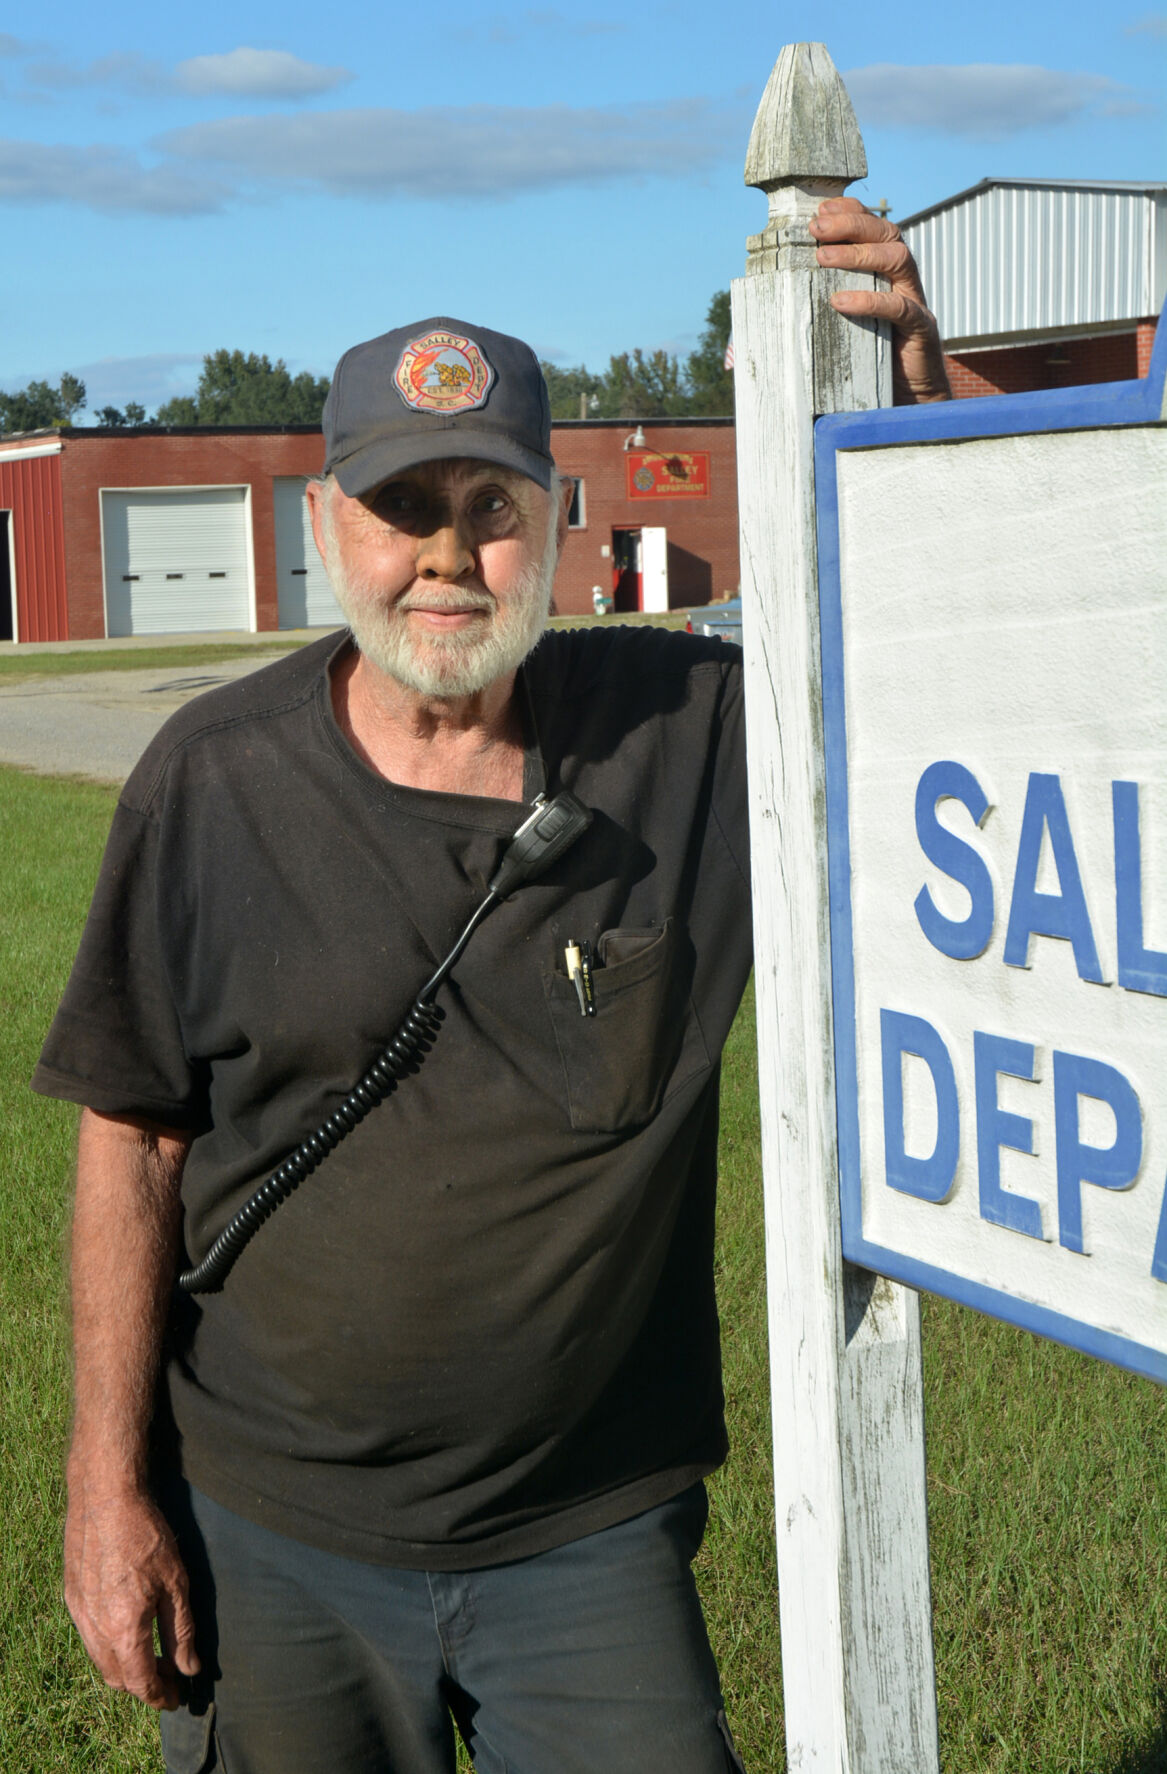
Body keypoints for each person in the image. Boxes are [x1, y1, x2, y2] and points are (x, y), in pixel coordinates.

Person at [34, 201, 950, 1774]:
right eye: (404, 505)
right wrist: (103, 1488)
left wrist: (918, 395)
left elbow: (931, 628)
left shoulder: (691, 738)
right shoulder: (211, 782)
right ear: (331, 527)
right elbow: (133, 1137)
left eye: (492, 503)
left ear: (558, 520)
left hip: (586, 1524)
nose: (449, 554)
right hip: (276, 1520)